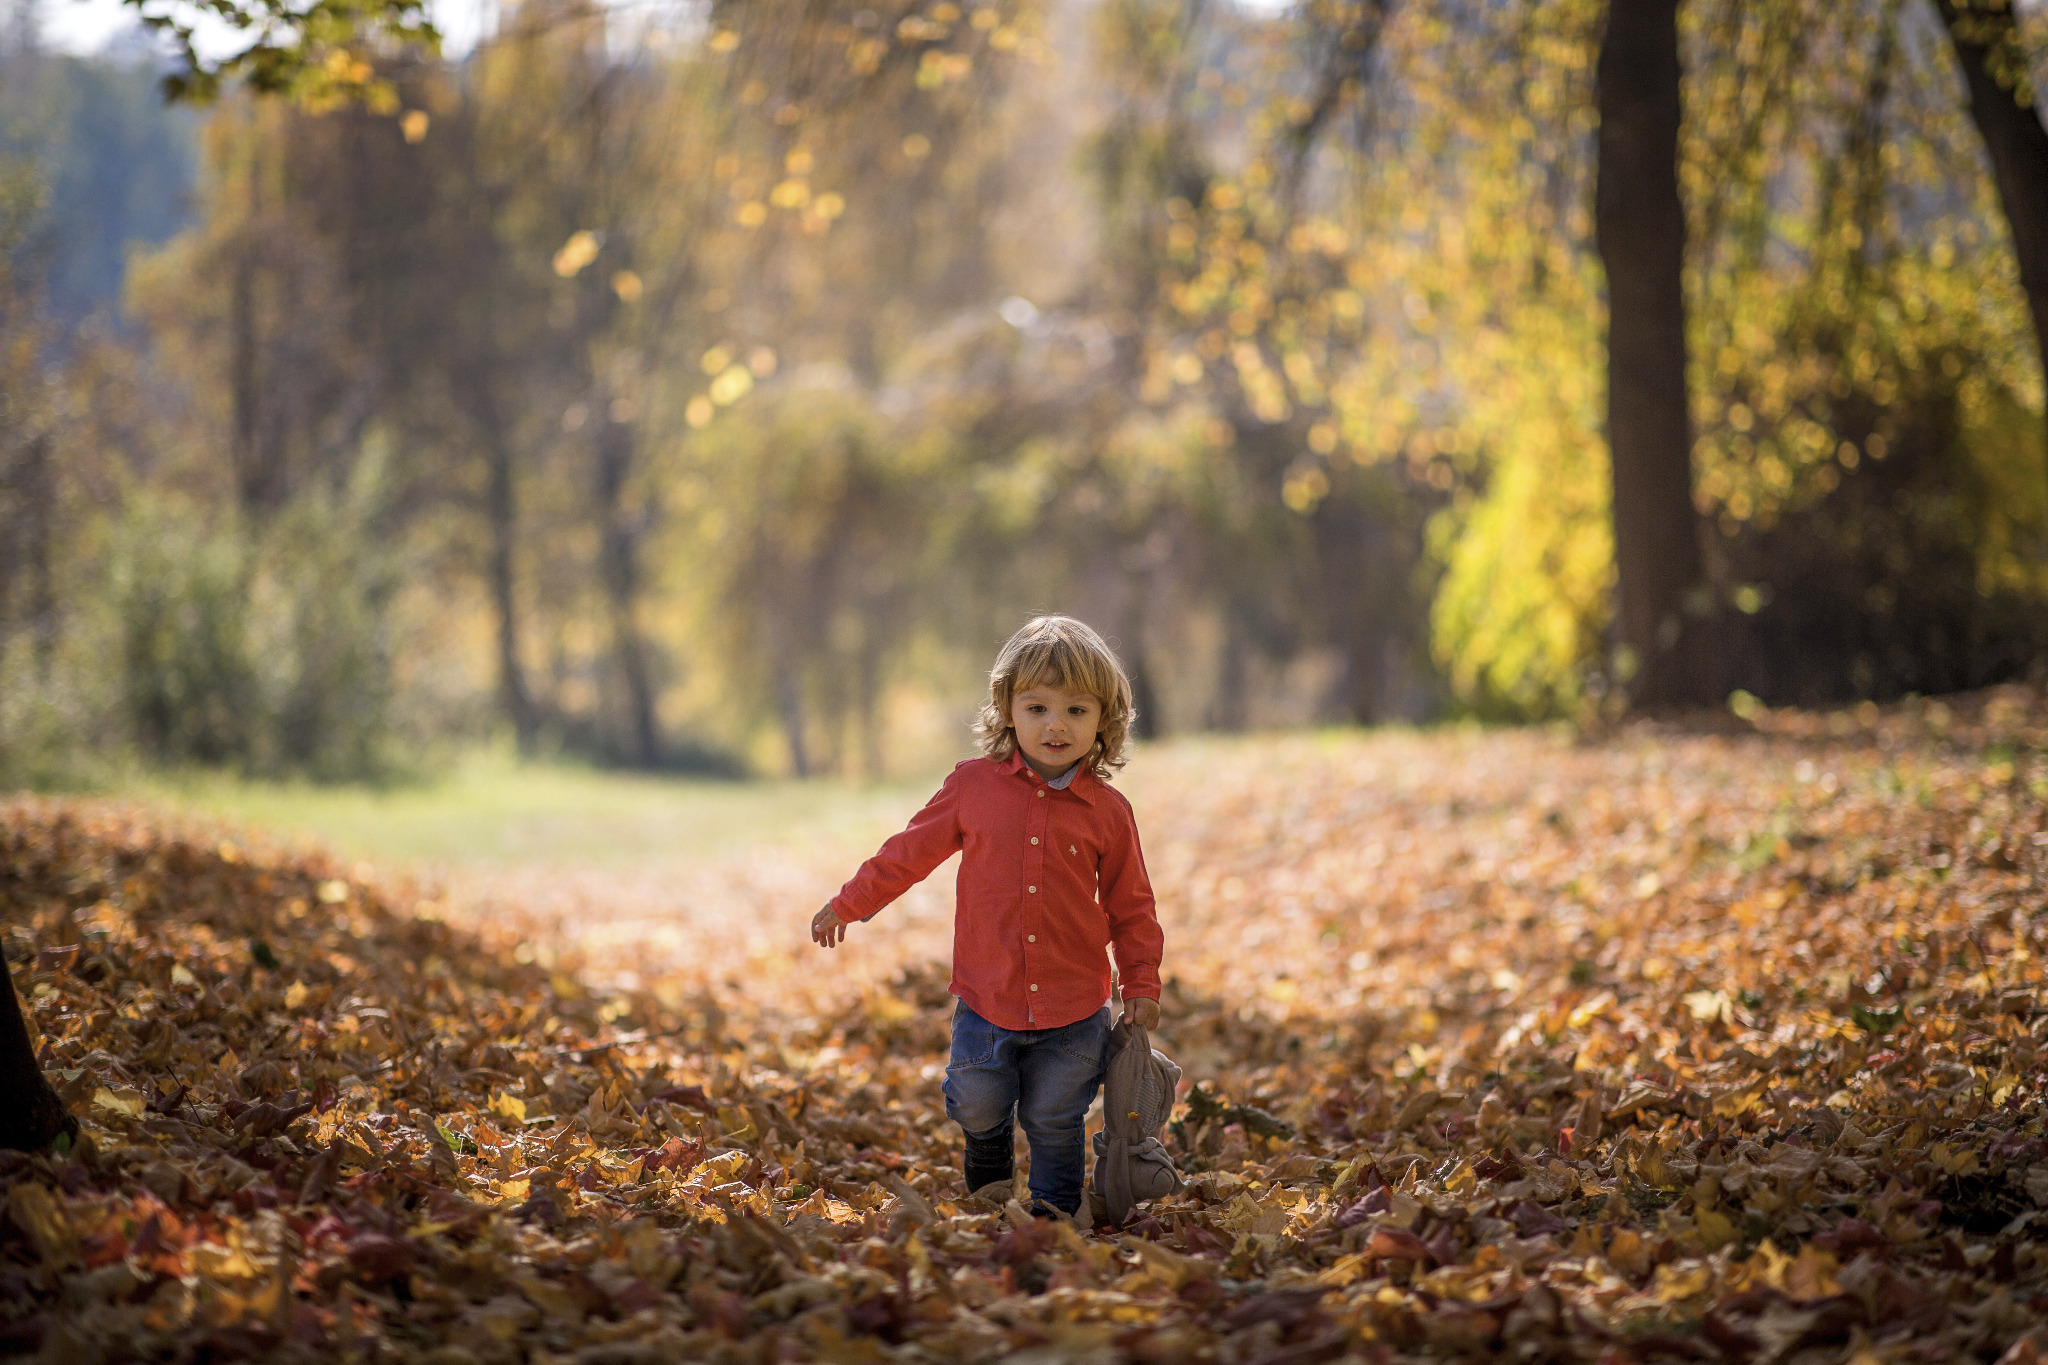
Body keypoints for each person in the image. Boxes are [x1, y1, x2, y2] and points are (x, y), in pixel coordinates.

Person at [810, 616, 1165, 1219]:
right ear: (1006, 707)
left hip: (1073, 1004)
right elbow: (908, 853)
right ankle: (989, 1184)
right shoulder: (973, 787)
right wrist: (850, 903)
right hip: (986, 995)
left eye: (1078, 711)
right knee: (977, 1102)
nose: (1056, 725)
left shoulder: (1108, 811)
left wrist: (1142, 982)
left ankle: (1054, 1217)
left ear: (1105, 720)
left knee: (1055, 1117)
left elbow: (1132, 906)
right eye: (1038, 707)